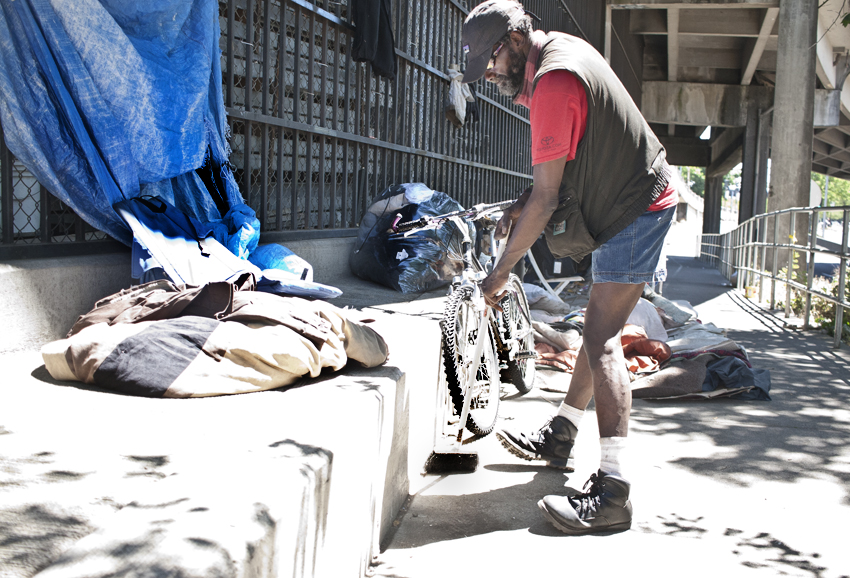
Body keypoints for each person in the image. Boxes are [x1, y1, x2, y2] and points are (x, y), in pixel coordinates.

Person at [460, 0, 678, 535]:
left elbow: (547, 198)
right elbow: (555, 180)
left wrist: (501, 272)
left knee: (602, 337)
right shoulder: (557, 52)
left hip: (637, 208)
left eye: (489, 62)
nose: (488, 76)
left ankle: (613, 492)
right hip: (633, 200)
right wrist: (524, 202)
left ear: (514, 41)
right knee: (593, 330)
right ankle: (560, 435)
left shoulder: (554, 82)